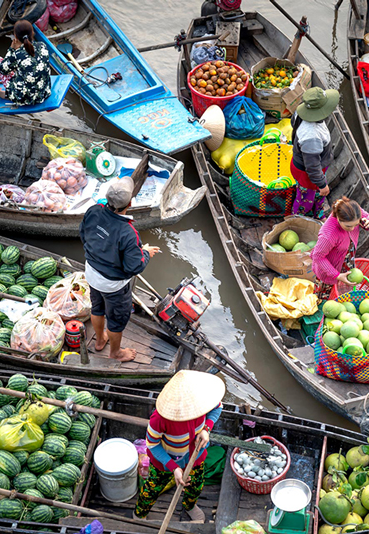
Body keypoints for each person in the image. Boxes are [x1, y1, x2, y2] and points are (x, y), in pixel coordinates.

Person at [79, 177, 161, 362]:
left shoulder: (93, 211)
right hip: (113, 286)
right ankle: (116, 353)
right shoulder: (128, 232)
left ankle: (100, 340)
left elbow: (84, 235)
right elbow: (134, 266)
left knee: (97, 307)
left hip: (91, 273)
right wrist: (145, 252)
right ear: (130, 203)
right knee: (116, 320)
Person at [134, 370, 224, 522]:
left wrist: (206, 429)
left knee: (195, 485)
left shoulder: (202, 402)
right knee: (152, 488)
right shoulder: (159, 419)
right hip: (164, 462)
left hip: (194, 457)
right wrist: (173, 467)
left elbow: (218, 406)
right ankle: (140, 513)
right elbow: (152, 444)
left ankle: (190, 506)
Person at [0, 20, 52, 106]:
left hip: (23, 98)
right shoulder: (42, 46)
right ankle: (9, 93)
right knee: (23, 69)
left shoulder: (17, 54)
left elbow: (2, 70)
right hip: (43, 94)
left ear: (15, 36)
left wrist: (11, 49)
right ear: (32, 33)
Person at [289, 87, 340, 220]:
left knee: (317, 193)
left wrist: (321, 184)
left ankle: (318, 212)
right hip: (307, 172)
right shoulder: (311, 136)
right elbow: (312, 166)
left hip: (314, 169)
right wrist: (322, 184)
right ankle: (298, 219)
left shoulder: (301, 112)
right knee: (304, 199)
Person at [311, 197, 369, 301]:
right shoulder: (328, 235)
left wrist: (368, 222)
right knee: (323, 296)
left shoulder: (353, 211)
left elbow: (364, 215)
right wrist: (337, 275)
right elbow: (318, 257)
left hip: (346, 258)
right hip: (328, 269)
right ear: (339, 219)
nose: (352, 229)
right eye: (348, 226)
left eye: (355, 225)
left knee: (345, 287)